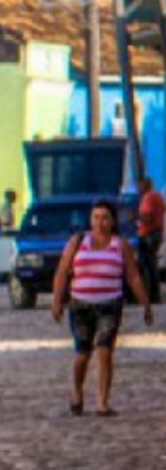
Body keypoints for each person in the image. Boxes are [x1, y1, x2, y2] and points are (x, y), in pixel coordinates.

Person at [50, 199, 153, 416]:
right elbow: (61, 272)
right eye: (96, 217)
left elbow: (133, 275)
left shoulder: (120, 244)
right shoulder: (77, 242)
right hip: (81, 305)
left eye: (105, 217)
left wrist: (145, 303)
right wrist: (57, 300)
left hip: (110, 304)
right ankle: (77, 391)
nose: (100, 222)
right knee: (83, 354)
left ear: (112, 220)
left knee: (105, 350)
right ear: (90, 220)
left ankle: (101, 402)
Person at [136, 176, 163, 303]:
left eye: (139, 186)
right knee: (152, 265)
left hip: (148, 234)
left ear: (145, 186)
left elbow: (147, 217)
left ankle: (150, 295)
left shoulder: (148, 198)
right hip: (157, 233)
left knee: (146, 266)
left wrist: (135, 217)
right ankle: (155, 294)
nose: (137, 189)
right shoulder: (158, 196)